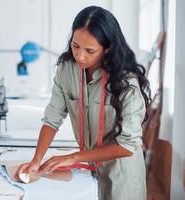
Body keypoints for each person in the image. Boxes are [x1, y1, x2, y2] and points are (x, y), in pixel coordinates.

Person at [14, 5, 151, 200]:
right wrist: (36, 160)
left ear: (107, 49)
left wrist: (72, 157)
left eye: (90, 50)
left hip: (122, 176)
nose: (80, 56)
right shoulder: (66, 70)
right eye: (75, 46)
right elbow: (52, 118)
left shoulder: (126, 82)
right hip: (88, 170)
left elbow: (126, 146)